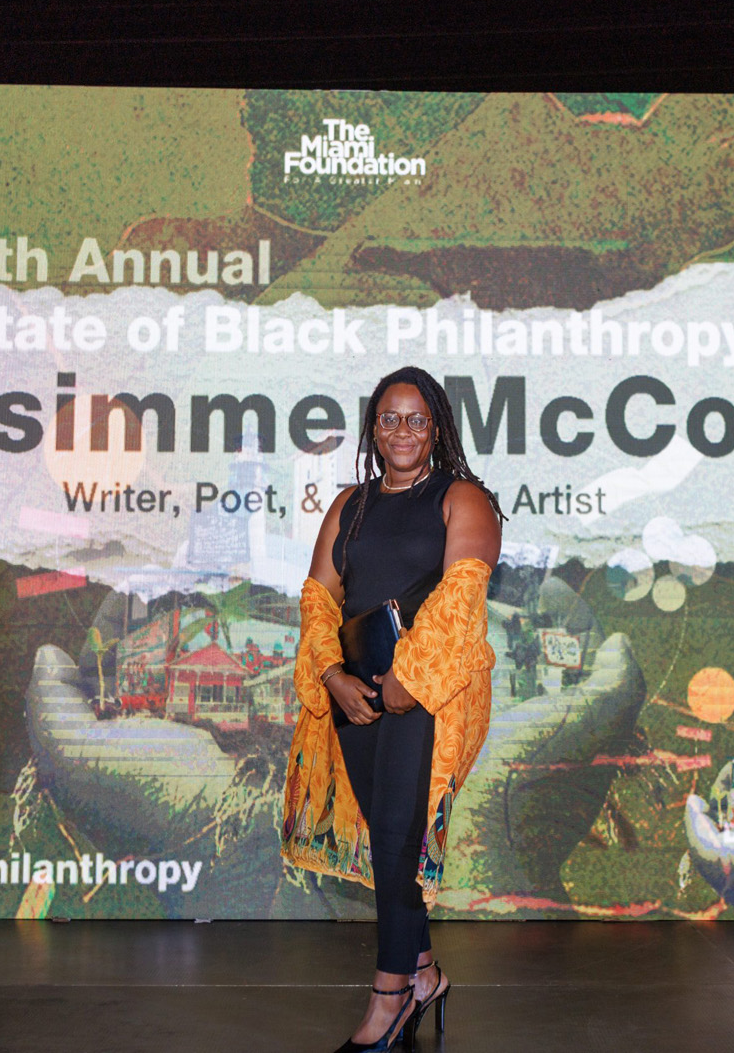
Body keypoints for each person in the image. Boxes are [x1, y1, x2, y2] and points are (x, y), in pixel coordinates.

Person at [281, 367, 503, 1052]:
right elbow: (320, 595)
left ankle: (391, 996)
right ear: (372, 430)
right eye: (388, 419)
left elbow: (462, 598)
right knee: (389, 844)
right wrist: (329, 675)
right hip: (353, 696)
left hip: (425, 697)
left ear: (435, 428)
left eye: (415, 419)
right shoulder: (350, 503)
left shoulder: (463, 498)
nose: (402, 431)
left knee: (399, 841)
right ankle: (428, 973)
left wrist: (410, 679)